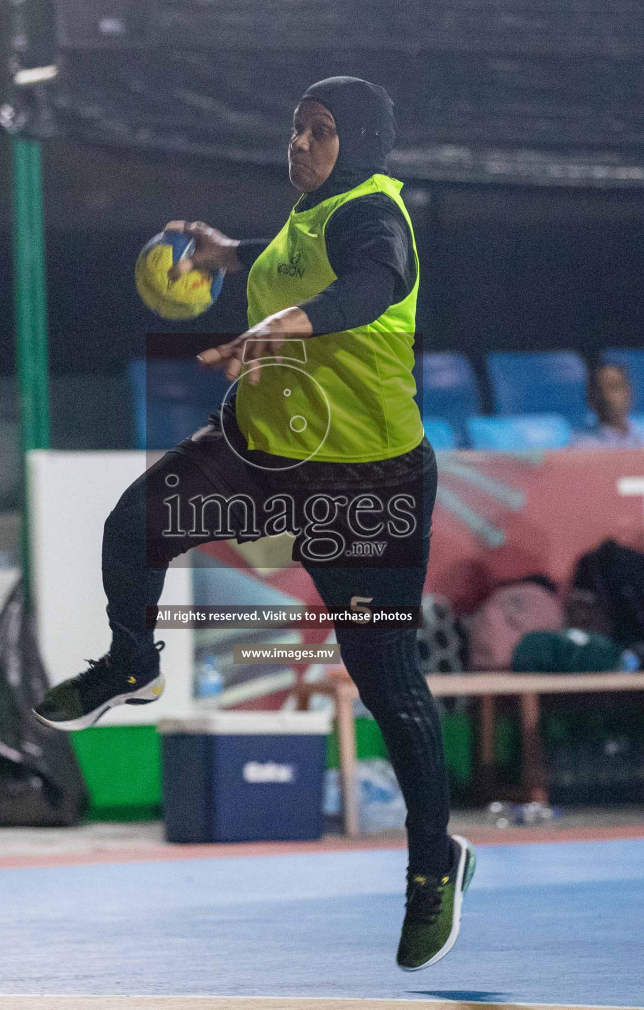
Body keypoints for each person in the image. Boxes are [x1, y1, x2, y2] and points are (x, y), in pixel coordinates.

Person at [31, 77, 473, 971]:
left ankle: (435, 867)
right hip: (264, 445)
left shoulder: (376, 215)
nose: (298, 143)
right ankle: (132, 662)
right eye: (295, 127)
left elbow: (374, 280)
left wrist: (291, 321)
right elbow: (299, 251)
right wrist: (233, 255)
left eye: (319, 131)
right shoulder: (315, 216)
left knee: (383, 677)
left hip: (363, 483)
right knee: (135, 524)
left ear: (362, 143)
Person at [572, 363, 644, 449]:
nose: (606, 396)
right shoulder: (583, 446)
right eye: (599, 390)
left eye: (614, 387)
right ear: (591, 399)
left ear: (628, 392)